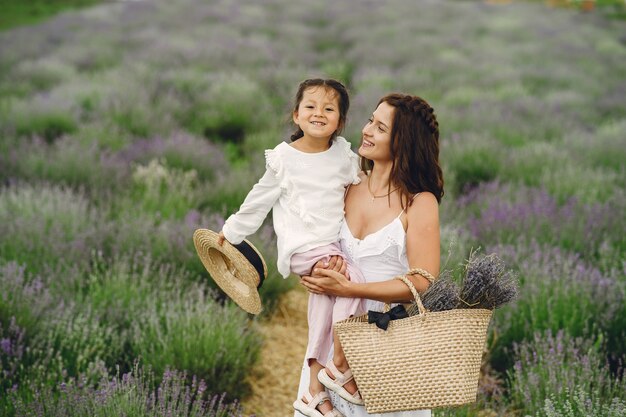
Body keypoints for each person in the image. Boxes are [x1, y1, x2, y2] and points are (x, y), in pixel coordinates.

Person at [218, 78, 366, 417]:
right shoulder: (284, 159)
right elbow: (258, 200)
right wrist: (232, 231)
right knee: (351, 281)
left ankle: (315, 389)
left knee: (326, 306)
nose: (319, 113)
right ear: (296, 115)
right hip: (305, 247)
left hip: (333, 245)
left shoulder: (343, 155)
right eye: (310, 107)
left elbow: (363, 186)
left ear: (340, 121)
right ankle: (341, 368)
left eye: (330, 109)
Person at [296, 93, 444, 417]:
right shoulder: (346, 185)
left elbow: (422, 280)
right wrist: (318, 272)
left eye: (380, 127)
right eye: (370, 121)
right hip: (332, 337)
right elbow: (312, 244)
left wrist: (350, 289)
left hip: (384, 339)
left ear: (403, 142)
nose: (367, 130)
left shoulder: (419, 202)